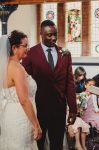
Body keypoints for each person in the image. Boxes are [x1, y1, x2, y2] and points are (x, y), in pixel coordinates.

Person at [22, 20, 77, 150]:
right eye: (49, 35)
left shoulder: (65, 54)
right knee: (38, 143)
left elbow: (70, 82)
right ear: (41, 34)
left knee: (57, 144)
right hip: (39, 108)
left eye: (55, 34)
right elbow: (24, 81)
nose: (53, 38)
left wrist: (73, 109)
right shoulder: (30, 53)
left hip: (59, 108)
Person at [0, 31, 42, 149]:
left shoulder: (5, 66)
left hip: (9, 115)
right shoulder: (17, 68)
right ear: (14, 48)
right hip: (21, 117)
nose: (28, 48)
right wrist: (36, 125)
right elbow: (23, 100)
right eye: (25, 46)